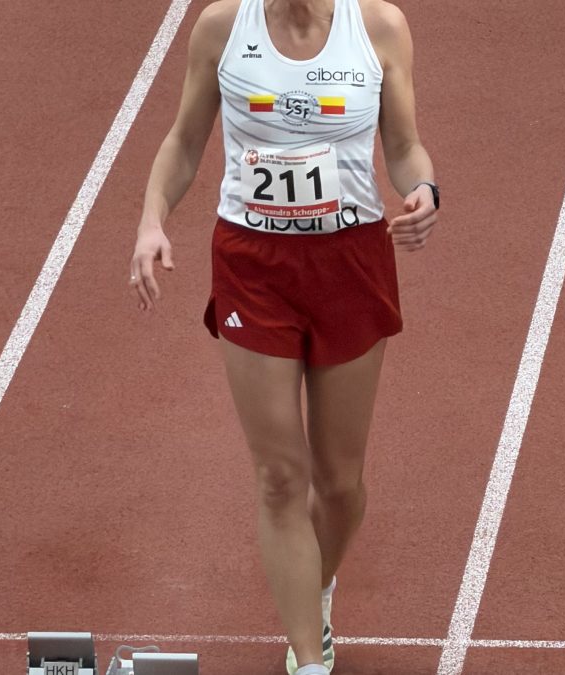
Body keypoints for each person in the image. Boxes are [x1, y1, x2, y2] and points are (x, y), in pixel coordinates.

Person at [128, 0, 438, 673]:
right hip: (254, 265)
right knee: (278, 477)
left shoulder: (379, 28)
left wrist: (424, 189)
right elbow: (184, 140)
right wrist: (152, 219)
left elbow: (404, 145)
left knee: (340, 484)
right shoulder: (222, 28)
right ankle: (308, 657)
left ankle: (314, 588)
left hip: (350, 262)